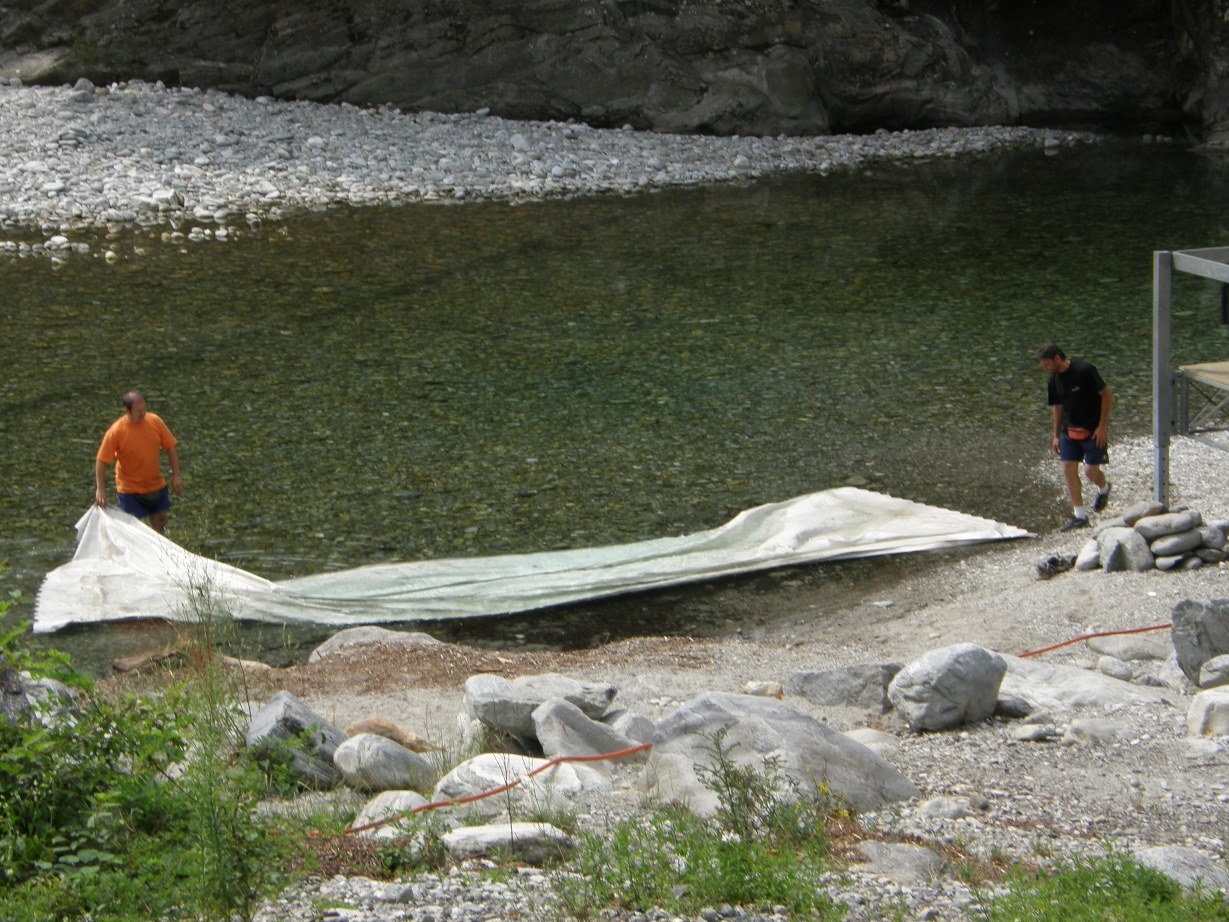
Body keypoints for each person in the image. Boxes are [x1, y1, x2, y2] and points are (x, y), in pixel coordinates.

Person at [1035, 343, 1112, 532]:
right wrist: (1055, 435)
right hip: (1068, 432)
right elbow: (1057, 407)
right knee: (1067, 467)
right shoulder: (1053, 380)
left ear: (1057, 359)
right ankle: (1080, 515)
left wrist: (1102, 427)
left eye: (1046, 364)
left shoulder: (1084, 371)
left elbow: (1107, 395)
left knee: (1090, 471)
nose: (1045, 368)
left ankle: (1104, 487)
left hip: (1092, 431)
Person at [95, 390, 183, 534]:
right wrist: (101, 489)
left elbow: (171, 448)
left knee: (160, 526)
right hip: (130, 490)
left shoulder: (155, 421)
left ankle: (158, 555)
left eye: (144, 409)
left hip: (155, 485)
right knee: (130, 532)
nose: (143, 414)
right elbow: (101, 461)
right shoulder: (116, 431)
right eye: (138, 411)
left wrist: (176, 476)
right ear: (127, 410)